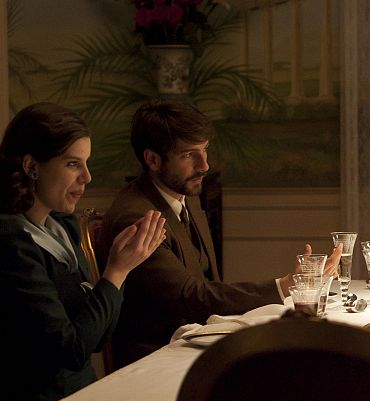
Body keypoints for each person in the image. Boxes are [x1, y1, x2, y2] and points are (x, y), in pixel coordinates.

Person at [0, 103, 165, 401]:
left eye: (86, 164)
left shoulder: (61, 226)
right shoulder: (11, 241)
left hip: (82, 398)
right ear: (31, 166)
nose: (87, 178)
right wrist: (117, 271)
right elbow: (72, 349)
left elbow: (98, 334)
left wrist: (115, 276)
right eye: (74, 164)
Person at [101, 100, 341, 367]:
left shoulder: (186, 196)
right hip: (156, 360)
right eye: (188, 155)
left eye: (204, 150)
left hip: (198, 345)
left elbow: (206, 288)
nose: (204, 165)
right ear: (152, 160)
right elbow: (190, 297)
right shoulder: (137, 217)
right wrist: (285, 286)